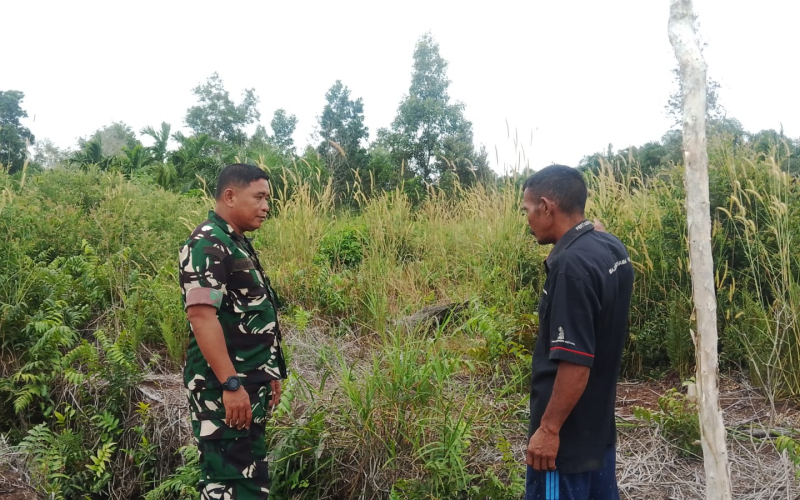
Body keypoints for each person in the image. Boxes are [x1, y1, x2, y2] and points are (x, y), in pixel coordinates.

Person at [521, 165, 634, 500]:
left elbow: (575, 363)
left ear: (546, 206)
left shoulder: (570, 268)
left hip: (564, 447)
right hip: (598, 433)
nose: (526, 219)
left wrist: (548, 430)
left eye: (526, 209)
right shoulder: (611, 248)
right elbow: (594, 230)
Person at [179, 163, 288, 499]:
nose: (266, 206)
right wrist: (231, 383)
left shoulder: (236, 242)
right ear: (229, 196)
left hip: (247, 385)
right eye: (258, 197)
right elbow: (201, 317)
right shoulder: (207, 244)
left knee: (247, 479)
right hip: (223, 389)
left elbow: (245, 315)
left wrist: (268, 373)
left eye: (267, 198)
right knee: (229, 484)